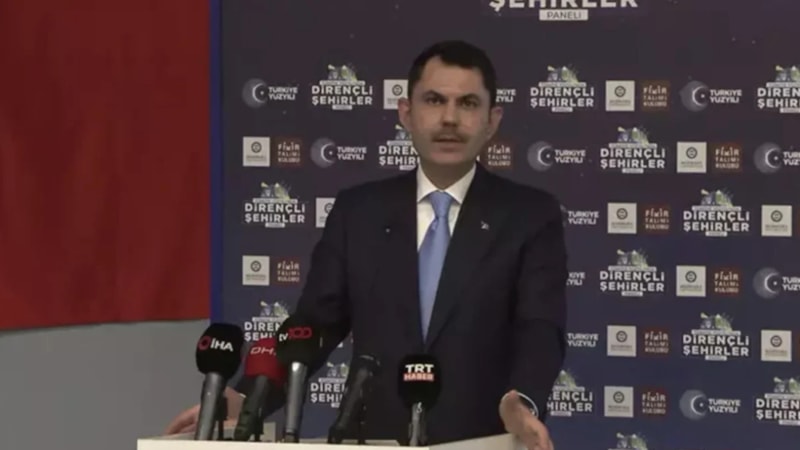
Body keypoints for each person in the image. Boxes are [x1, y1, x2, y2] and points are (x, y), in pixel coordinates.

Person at [166, 40, 567, 450]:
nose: (449, 118)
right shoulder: (358, 212)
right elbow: (311, 328)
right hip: (374, 440)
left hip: (485, 440)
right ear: (406, 113)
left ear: (492, 120)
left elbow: (539, 328)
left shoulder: (529, 215)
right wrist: (245, 398)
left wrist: (521, 401)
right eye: (434, 100)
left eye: (467, 103)